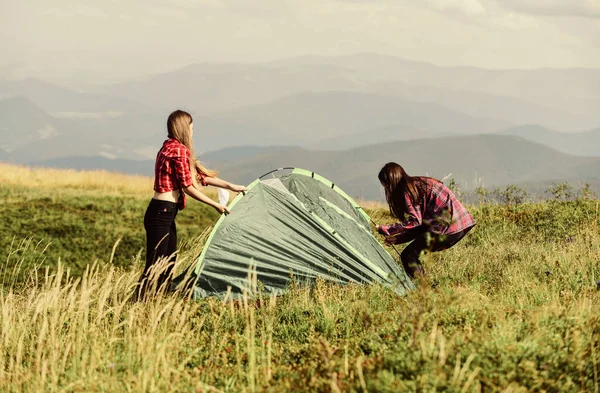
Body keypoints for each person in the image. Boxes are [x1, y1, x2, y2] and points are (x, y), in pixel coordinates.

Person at [139, 109, 247, 297]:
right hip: (161, 213)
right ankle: (140, 303)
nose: (193, 131)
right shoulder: (179, 151)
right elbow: (189, 186)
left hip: (163, 212)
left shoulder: (169, 146)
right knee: (156, 264)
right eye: (191, 127)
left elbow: (198, 177)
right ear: (184, 127)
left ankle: (158, 301)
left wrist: (230, 186)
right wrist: (216, 205)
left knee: (167, 261)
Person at [376, 162, 475, 279]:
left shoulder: (407, 191)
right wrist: (398, 239)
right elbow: (421, 226)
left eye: (386, 185)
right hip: (461, 224)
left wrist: (387, 230)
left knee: (408, 256)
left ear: (391, 182)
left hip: (447, 227)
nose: (387, 189)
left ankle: (421, 290)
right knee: (412, 252)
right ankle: (424, 287)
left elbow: (415, 222)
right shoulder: (417, 184)